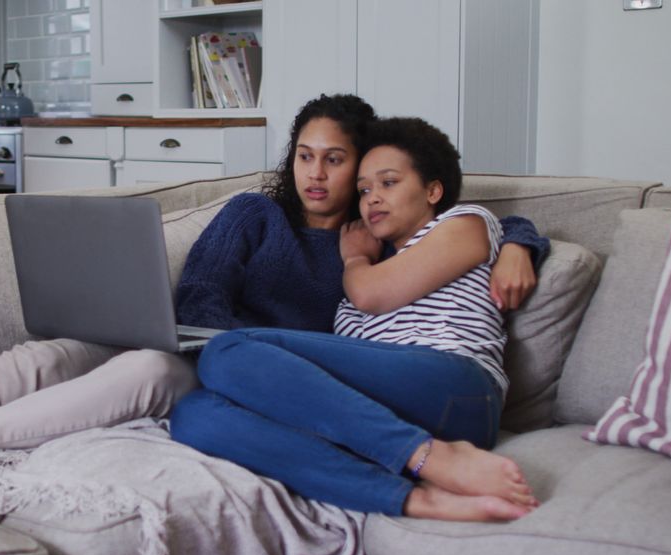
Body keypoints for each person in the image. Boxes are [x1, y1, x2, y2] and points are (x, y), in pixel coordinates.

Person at [0, 95, 547, 493]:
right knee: (45, 356)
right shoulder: (252, 214)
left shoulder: (374, 242)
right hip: (198, 343)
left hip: (225, 372)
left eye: (339, 161)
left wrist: (522, 237)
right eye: (306, 155)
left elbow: (474, 218)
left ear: (370, 171)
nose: (320, 175)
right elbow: (200, 290)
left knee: (152, 377)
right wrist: (202, 338)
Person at [170, 116, 540, 523]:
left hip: (457, 386)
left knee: (225, 350)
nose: (373, 199)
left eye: (389, 183)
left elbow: (370, 293)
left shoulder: (463, 222)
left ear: (433, 190)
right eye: (364, 189)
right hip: (391, 411)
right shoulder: (373, 264)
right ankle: (411, 498)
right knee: (196, 416)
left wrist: (520, 244)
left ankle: (426, 457)